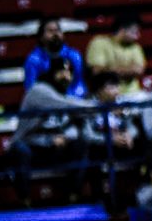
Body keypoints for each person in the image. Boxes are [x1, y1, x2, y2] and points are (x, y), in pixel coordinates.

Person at [10, 57, 90, 205]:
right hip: (33, 147)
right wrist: (48, 141)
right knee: (20, 149)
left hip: (55, 149)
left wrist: (65, 137)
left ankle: (73, 198)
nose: (66, 76)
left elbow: (73, 126)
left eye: (69, 73)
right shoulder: (39, 91)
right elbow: (63, 105)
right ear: (51, 72)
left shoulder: (67, 97)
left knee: (80, 145)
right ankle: (24, 202)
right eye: (61, 72)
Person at [82, 72, 141, 161]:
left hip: (122, 144)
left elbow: (133, 128)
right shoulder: (89, 107)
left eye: (117, 86)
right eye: (111, 88)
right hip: (99, 149)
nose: (116, 91)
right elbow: (88, 135)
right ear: (99, 90)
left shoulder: (122, 104)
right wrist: (109, 140)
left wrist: (129, 135)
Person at [23, 17, 87, 98]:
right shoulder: (34, 59)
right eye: (50, 31)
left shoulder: (74, 55)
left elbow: (79, 83)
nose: (55, 34)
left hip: (72, 101)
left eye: (58, 30)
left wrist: (72, 98)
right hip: (45, 102)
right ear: (41, 37)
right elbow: (31, 88)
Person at [85, 14, 146, 95]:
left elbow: (138, 70)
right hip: (105, 95)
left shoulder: (135, 47)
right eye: (134, 32)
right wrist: (128, 70)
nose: (138, 36)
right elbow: (97, 71)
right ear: (122, 29)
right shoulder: (99, 42)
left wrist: (109, 70)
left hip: (132, 94)